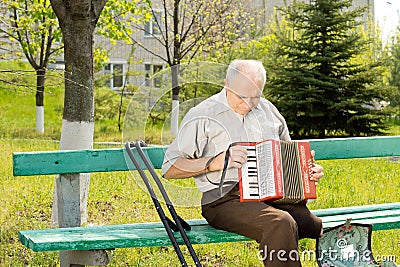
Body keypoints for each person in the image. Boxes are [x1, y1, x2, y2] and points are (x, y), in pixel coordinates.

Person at [162, 59, 324, 267]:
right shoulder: (203, 115)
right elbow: (170, 168)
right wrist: (213, 162)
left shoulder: (268, 110)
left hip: (270, 194)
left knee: (311, 223)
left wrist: (307, 172)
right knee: (280, 224)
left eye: (255, 97)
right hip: (223, 199)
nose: (248, 104)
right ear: (226, 84)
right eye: (241, 96)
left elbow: (289, 156)